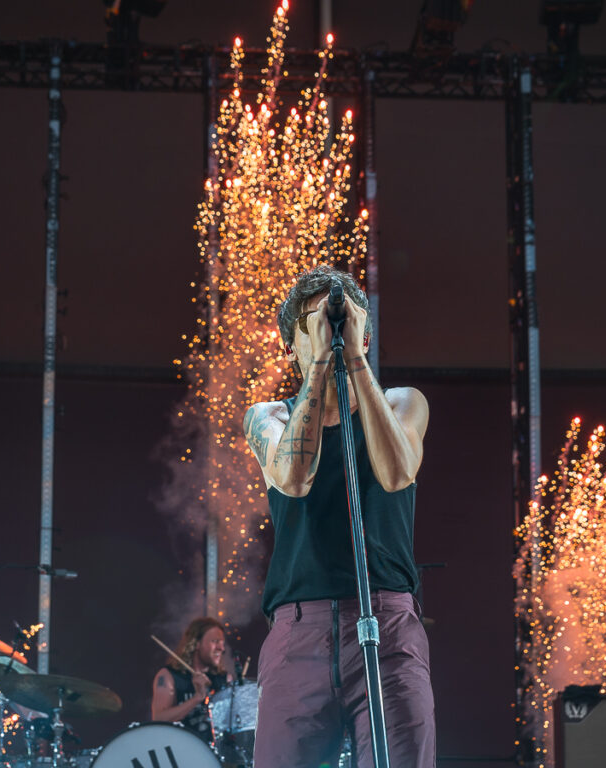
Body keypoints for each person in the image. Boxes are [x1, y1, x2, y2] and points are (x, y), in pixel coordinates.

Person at [242, 264, 436, 768]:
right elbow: (292, 477)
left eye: (342, 324)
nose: (330, 334)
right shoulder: (269, 417)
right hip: (298, 632)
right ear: (291, 346)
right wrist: (321, 372)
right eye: (314, 327)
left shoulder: (403, 403)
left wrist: (351, 356)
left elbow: (397, 472)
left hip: (387, 623)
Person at [151, 617, 232, 745]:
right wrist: (197, 698)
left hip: (216, 756)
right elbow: (159, 719)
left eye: (222, 643)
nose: (221, 648)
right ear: (196, 644)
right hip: (180, 752)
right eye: (215, 641)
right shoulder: (169, 676)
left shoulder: (224, 679)